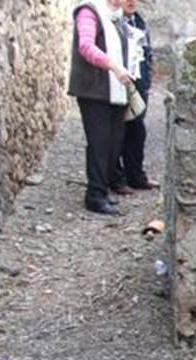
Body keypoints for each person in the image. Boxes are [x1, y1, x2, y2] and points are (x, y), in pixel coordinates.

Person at [68, 0, 133, 215]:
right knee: (99, 144)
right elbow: (86, 46)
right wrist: (114, 66)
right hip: (94, 91)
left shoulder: (117, 16)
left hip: (116, 90)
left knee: (114, 143)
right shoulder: (89, 11)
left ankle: (102, 189)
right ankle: (94, 196)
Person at [112, 0, 156, 195]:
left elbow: (146, 55)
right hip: (118, 82)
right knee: (116, 132)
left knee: (137, 130)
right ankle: (115, 179)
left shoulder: (139, 22)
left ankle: (135, 176)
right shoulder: (112, 21)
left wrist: (145, 83)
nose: (131, 1)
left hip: (138, 85)